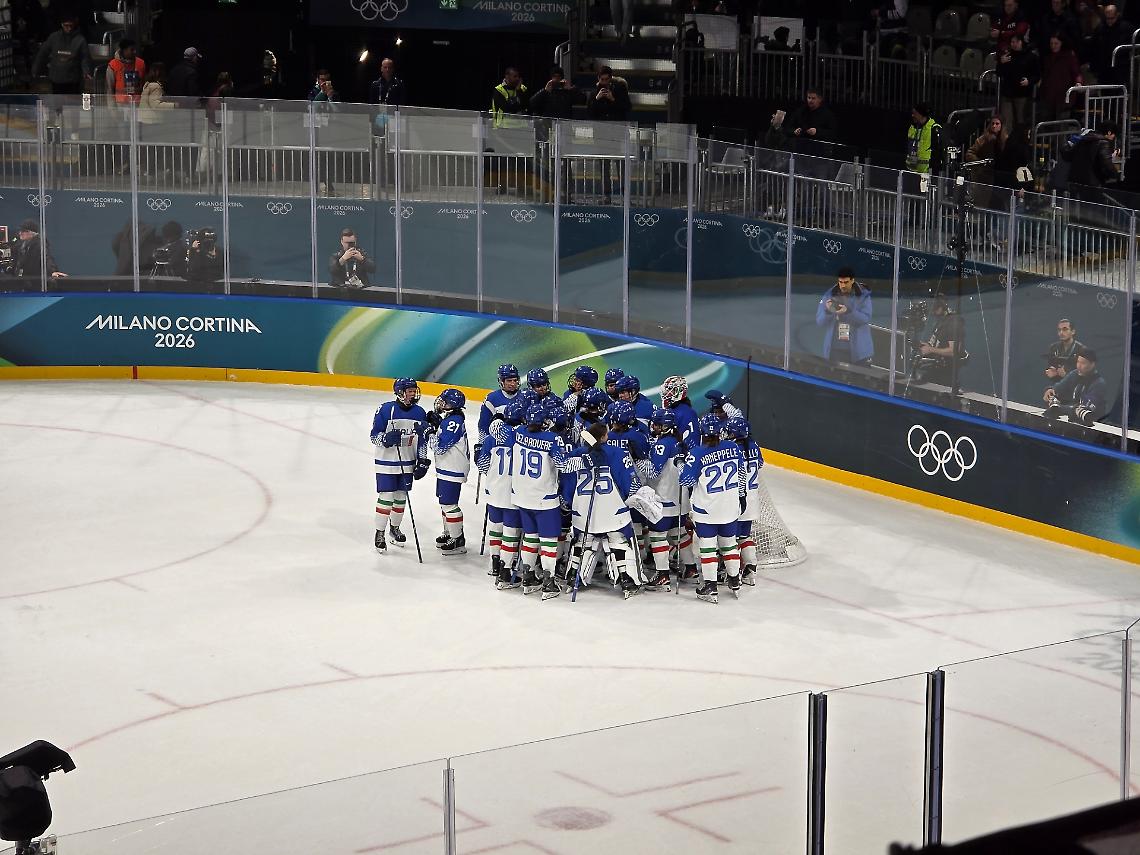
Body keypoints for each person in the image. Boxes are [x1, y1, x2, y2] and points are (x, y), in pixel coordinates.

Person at [492, 402, 572, 595]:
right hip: (544, 498)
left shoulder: (519, 432)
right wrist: (584, 458)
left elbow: (497, 430)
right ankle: (549, 582)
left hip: (521, 497)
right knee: (549, 540)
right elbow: (564, 466)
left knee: (530, 537)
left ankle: (527, 577)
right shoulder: (553, 439)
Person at [560, 421, 647, 599]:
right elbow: (629, 483)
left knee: (583, 540)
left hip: (583, 512)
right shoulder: (617, 453)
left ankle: (573, 576)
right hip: (612, 510)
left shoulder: (577, 454)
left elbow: (567, 484)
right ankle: (628, 580)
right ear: (603, 437)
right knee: (618, 540)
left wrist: (568, 503)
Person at [679, 413, 748, 604]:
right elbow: (742, 474)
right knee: (729, 544)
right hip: (730, 507)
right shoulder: (734, 448)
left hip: (707, 510)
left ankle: (710, 586)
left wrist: (680, 463)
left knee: (708, 548)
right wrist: (742, 497)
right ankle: (735, 579)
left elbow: (685, 480)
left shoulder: (697, 453)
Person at [370, 378, 429, 553]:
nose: (413, 393)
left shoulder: (420, 412)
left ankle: (394, 529)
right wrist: (385, 439)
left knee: (401, 497)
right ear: (400, 392)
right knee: (386, 497)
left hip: (407, 462)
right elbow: (374, 435)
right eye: (409, 390)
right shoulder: (386, 409)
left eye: (414, 390)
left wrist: (423, 460)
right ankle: (379, 533)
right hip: (386, 463)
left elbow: (422, 440)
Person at [645, 407, 698, 589]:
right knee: (679, 534)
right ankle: (691, 569)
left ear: (665, 426)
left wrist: (638, 461)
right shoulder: (680, 443)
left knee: (657, 535)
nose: (654, 426)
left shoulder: (663, 445)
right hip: (680, 501)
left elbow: (653, 472)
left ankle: (663, 575)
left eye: (658, 424)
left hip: (664, 500)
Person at [478, 398, 527, 586]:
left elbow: (482, 465)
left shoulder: (492, 437)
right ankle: (506, 571)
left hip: (493, 490)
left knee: (495, 527)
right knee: (510, 531)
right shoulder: (523, 438)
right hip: (512, 493)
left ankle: (494, 563)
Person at [424, 388, 470, 556]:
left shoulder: (454, 422)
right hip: (447, 468)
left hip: (453, 468)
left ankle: (458, 540)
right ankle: (450, 532)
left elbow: (440, 447)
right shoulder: (451, 419)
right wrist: (436, 426)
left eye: (446, 401)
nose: (442, 403)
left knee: (449, 504)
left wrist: (429, 431)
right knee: (444, 503)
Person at [724, 415, 762, 586]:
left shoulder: (733, 449)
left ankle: (733, 572)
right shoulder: (754, 445)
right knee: (744, 536)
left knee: (730, 539)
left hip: (739, 498)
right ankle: (751, 570)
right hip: (753, 499)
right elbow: (760, 464)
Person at [585, 66, 632, 203]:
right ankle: (606, 195)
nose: (604, 82)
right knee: (604, 166)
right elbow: (589, 113)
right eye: (602, 79)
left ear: (611, 78)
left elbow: (627, 107)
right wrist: (596, 99)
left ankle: (625, 194)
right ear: (598, 79)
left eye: (607, 79)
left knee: (621, 165)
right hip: (601, 135)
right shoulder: (594, 93)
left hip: (617, 133)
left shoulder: (620, 89)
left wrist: (613, 99)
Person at [816, 267, 873, 365]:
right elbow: (820, 321)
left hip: (858, 351)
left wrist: (848, 312)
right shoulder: (829, 294)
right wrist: (828, 311)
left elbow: (865, 318)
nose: (842, 285)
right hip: (835, 350)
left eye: (846, 282)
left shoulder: (863, 295)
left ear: (852, 280)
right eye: (840, 282)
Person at [1043, 347, 1106, 425]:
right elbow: (1058, 387)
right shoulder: (1074, 374)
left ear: (1092, 364)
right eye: (1078, 362)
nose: (1079, 366)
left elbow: (1085, 409)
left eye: (1083, 363)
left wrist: (1059, 408)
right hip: (1071, 420)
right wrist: (1050, 390)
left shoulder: (1099, 383)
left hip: (1091, 424)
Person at [31, 13, 91, 94]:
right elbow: (42, 53)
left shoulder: (80, 40)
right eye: (66, 25)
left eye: (71, 25)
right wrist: (36, 69)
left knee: (72, 104)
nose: (69, 28)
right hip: (56, 79)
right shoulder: (54, 37)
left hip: (73, 80)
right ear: (62, 25)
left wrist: (86, 72)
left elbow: (85, 58)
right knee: (57, 103)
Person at [914, 297, 966, 387]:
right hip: (936, 370)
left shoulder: (953, 323)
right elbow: (936, 345)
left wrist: (930, 350)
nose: (933, 312)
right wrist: (924, 345)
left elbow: (954, 351)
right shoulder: (941, 322)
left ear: (941, 307)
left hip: (945, 377)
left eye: (935, 308)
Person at [1065, 121, 1120, 205]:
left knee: (1075, 211)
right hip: (1092, 184)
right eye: (1114, 135)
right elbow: (1106, 163)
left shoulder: (1084, 139)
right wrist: (1116, 175)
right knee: (1093, 211)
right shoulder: (1103, 143)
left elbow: (1069, 155)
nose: (1113, 138)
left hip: (1075, 180)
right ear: (1109, 132)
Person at [765, 88, 837, 153]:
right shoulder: (801, 111)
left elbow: (832, 133)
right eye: (809, 98)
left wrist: (817, 131)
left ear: (820, 99)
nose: (810, 100)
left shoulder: (827, 114)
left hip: (820, 150)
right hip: (800, 148)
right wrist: (794, 131)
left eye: (813, 98)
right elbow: (788, 127)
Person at [996, 33, 1039, 137]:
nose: (1014, 44)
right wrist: (1001, 63)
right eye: (1012, 42)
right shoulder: (1007, 56)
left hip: (1022, 95)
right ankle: (1005, 146)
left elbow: (1037, 75)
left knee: (1021, 122)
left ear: (1022, 42)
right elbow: (999, 73)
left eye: (1017, 41)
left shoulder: (1031, 56)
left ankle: (1021, 146)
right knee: (1006, 122)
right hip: (1007, 93)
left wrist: (1029, 81)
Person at [1038, 34, 1083, 123]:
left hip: (1064, 97)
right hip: (1049, 96)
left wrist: (1079, 82)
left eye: (1056, 43)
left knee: (1062, 125)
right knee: (1047, 125)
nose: (1053, 46)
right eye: (1051, 43)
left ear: (1062, 43)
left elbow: (1076, 72)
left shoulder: (1069, 56)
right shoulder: (1047, 57)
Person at [1095, 4, 1133, 86]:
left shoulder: (1126, 27)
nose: (1109, 21)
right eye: (1107, 18)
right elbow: (1094, 47)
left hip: (1121, 68)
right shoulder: (1100, 28)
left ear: (1117, 15)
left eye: (1112, 18)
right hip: (1104, 69)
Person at [105, 38, 146, 107]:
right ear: (124, 50)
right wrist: (112, 109)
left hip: (137, 104)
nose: (135, 52)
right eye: (132, 50)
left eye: (135, 49)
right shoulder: (113, 65)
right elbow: (110, 90)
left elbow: (144, 85)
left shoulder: (141, 64)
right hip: (120, 105)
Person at [905, 103, 942, 178]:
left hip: (927, 174)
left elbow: (939, 153)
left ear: (921, 115)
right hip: (910, 172)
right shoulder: (912, 127)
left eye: (915, 113)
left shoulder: (934, 129)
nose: (912, 115)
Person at [660, 374, 699, 443]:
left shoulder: (686, 413)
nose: (666, 392)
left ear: (679, 392)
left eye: (670, 390)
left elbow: (692, 439)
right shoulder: (674, 409)